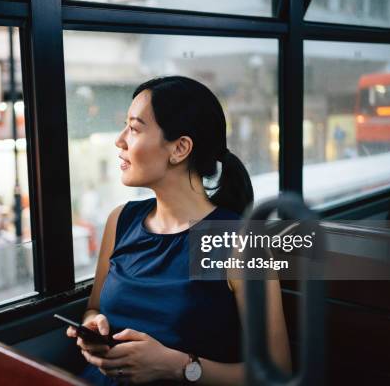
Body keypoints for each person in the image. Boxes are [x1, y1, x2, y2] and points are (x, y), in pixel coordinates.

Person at [66, 76, 291, 385]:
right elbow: (93, 309)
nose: (120, 140)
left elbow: (276, 373)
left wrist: (177, 366)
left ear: (180, 148)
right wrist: (94, 327)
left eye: (134, 128)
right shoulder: (120, 221)